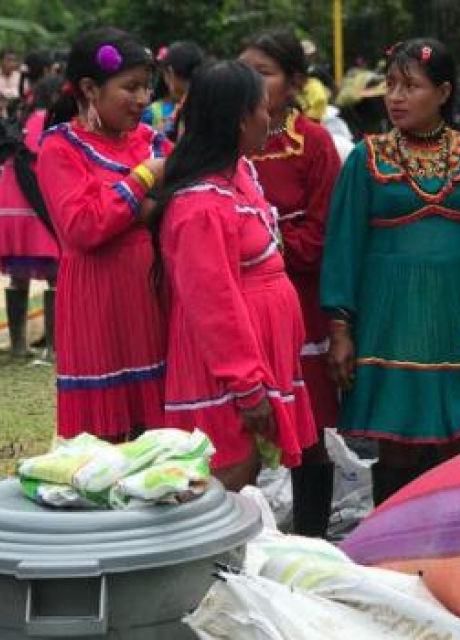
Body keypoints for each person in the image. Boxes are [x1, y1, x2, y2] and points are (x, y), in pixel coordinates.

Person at [322, 38, 460, 504]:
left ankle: (454, 553)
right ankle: (393, 554)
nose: (395, 96)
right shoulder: (365, 159)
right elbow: (342, 249)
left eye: (411, 86)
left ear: (444, 92)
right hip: (391, 325)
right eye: (390, 85)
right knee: (397, 451)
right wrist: (340, 329)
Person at [150, 60, 317, 491]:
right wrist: (247, 386)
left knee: (245, 476)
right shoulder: (200, 207)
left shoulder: (239, 174)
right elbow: (213, 305)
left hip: (251, 363)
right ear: (240, 119)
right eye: (262, 108)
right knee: (226, 479)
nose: (270, 117)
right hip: (226, 373)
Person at [37, 28, 171, 442]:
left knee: (158, 435)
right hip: (97, 298)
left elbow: (174, 203)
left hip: (152, 294)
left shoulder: (151, 141)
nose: (143, 99)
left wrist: (133, 206)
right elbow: (85, 227)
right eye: (129, 88)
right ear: (90, 88)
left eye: (146, 87)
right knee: (104, 441)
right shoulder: (60, 149)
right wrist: (145, 179)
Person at [239, 29, 343, 535]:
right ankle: (232, 541)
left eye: (264, 73)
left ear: (295, 83)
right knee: (235, 427)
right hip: (234, 302)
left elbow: (324, 233)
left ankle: (311, 542)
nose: (251, 84)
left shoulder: (315, 144)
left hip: (298, 302)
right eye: (245, 73)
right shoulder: (225, 139)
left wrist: (255, 245)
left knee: (309, 432)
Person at [0, 76, 65, 362]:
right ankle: (53, 347)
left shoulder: (24, 118)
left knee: (18, 276)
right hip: (30, 203)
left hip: (6, 204)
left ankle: (19, 345)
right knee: (55, 274)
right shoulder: (48, 121)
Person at [144, 41, 205, 138]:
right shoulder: (151, 113)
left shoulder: (203, 109)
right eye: (181, 93)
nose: (186, 98)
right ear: (168, 73)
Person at [298, 39, 332, 121]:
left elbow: (334, 88)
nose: (309, 57)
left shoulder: (318, 71)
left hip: (319, 114)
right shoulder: (293, 71)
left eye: (311, 55)